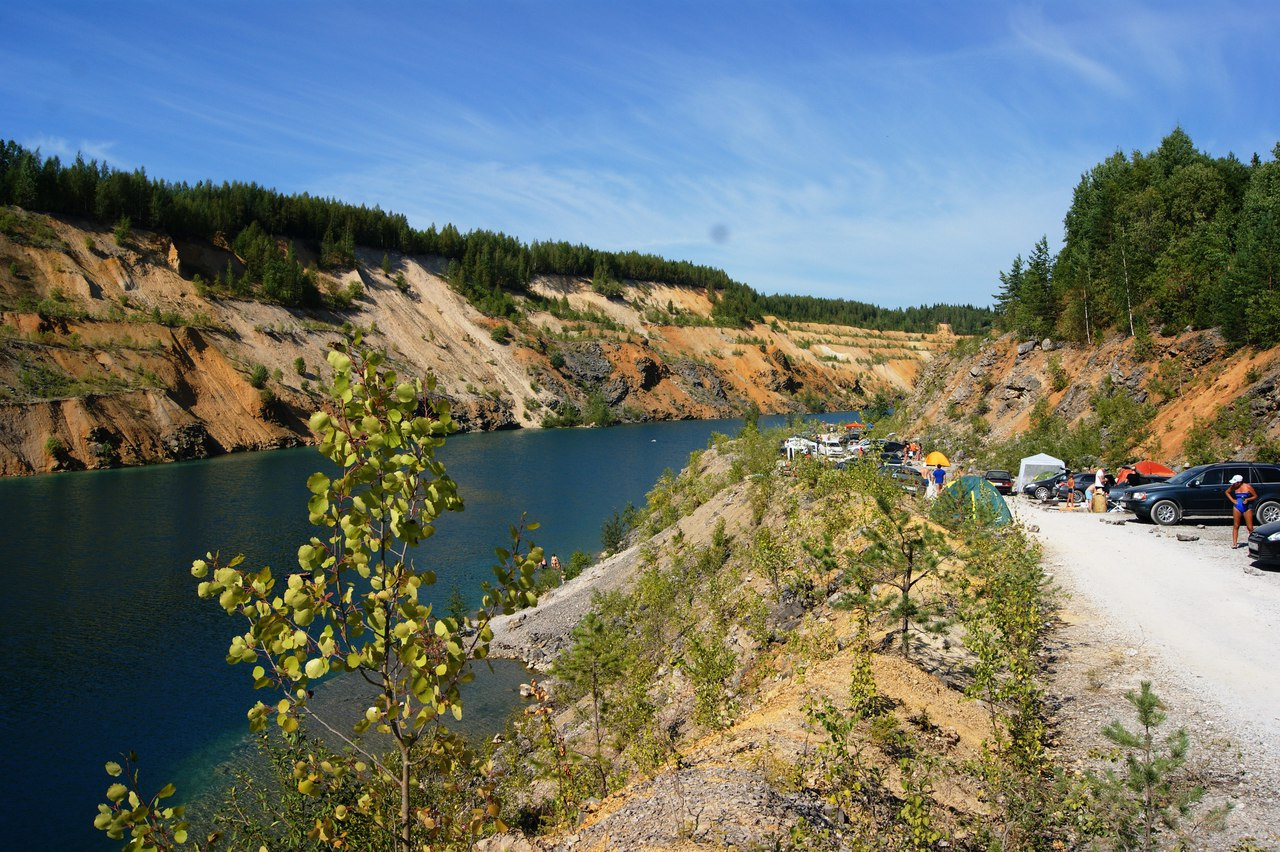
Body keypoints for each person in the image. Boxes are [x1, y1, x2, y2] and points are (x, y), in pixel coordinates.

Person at [1225, 474, 1257, 549]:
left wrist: (1248, 499)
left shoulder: (1248, 486)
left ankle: (1253, 543)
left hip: (1247, 507)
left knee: (1250, 527)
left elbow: (1255, 496)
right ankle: (1234, 543)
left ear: (1239, 482)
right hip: (1237, 507)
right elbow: (1227, 492)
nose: (1233, 484)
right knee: (1236, 525)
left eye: (1235, 482)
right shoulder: (1234, 487)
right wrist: (1233, 500)